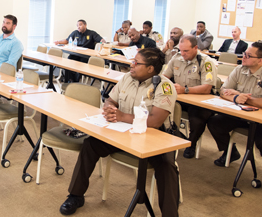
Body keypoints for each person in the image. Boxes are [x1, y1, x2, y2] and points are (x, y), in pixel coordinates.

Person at [59, 48, 180, 217]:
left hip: (153, 136)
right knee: (90, 145)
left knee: (167, 167)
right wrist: (109, 108)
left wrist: (122, 116)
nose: (132, 65)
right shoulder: (127, 78)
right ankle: (75, 195)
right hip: (122, 132)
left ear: (150, 68)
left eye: (136, 63)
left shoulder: (164, 86)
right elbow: (111, 99)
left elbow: (155, 121)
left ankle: (170, 214)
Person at [207, 42, 262, 193]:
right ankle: (230, 152)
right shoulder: (240, 69)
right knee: (215, 122)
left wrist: (242, 98)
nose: (243, 57)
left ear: (260, 60)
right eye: (244, 53)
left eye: (248, 55)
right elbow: (223, 90)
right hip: (245, 112)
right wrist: (236, 97)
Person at [163, 35, 217, 158]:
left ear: (195, 48)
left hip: (200, 100)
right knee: (160, 108)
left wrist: (185, 90)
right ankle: (172, 138)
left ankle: (190, 144)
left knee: (197, 118)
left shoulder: (206, 62)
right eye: (181, 50)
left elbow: (207, 88)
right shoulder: (176, 58)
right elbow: (164, 77)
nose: (182, 53)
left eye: (186, 51)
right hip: (180, 98)